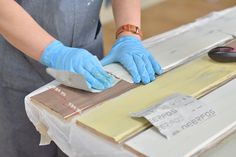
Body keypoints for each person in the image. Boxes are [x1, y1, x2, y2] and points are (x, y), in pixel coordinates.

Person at [0, 0, 162, 156]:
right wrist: (53, 52)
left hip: (88, 53)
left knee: (82, 141)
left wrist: (129, 34)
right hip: (20, 60)